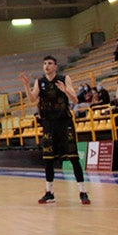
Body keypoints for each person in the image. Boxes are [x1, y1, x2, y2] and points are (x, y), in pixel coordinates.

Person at [18, 57, 90, 206]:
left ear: (55, 67)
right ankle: (49, 192)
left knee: (73, 157)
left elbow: (76, 100)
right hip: (48, 123)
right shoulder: (40, 82)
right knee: (48, 158)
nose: (46, 66)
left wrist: (66, 91)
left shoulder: (64, 79)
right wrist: (26, 85)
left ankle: (82, 191)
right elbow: (32, 99)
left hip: (64, 122)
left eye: (50, 64)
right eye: (44, 63)